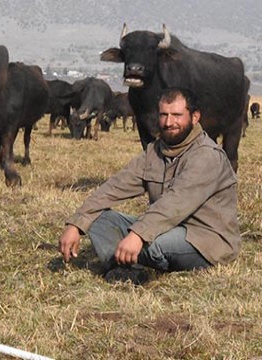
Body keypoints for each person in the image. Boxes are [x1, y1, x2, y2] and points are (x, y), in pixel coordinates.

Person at [58, 87, 241, 283]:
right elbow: (114, 187)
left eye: (177, 115)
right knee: (98, 217)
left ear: (195, 117)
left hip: (204, 239)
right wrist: (76, 224)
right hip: (165, 228)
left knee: (154, 245)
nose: (169, 122)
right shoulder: (155, 151)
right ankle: (124, 269)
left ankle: (129, 262)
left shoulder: (207, 156)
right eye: (164, 115)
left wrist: (138, 235)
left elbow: (174, 205)